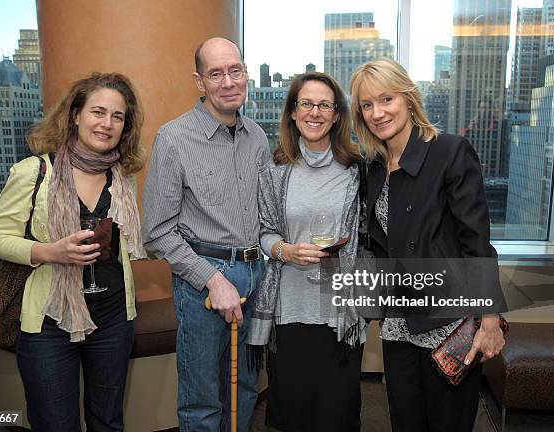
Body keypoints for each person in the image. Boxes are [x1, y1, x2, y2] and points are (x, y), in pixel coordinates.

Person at [349, 58, 505, 432]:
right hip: (399, 321)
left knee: (448, 423)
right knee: (405, 421)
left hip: (448, 321)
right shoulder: (373, 166)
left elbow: (476, 241)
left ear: (408, 97)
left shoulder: (449, 151)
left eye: (386, 99)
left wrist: (490, 318)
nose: (377, 112)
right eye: (367, 105)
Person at [0, 72, 147, 431]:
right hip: (48, 321)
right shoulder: (34, 172)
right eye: (97, 112)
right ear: (75, 115)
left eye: (117, 117)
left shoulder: (121, 177)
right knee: (55, 423)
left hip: (113, 319)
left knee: (107, 420)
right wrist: (49, 251)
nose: (106, 124)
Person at [141, 37, 270, 432]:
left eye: (235, 70)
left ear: (246, 74)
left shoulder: (258, 138)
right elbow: (157, 232)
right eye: (216, 74)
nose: (228, 81)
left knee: (246, 386)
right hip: (203, 279)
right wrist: (214, 281)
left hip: (255, 275)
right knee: (202, 397)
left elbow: (266, 216)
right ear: (200, 82)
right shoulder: (174, 139)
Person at [247, 72, 368, 432]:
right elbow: (263, 232)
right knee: (293, 414)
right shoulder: (275, 169)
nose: (315, 113)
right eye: (306, 104)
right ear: (293, 114)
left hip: (340, 312)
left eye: (324, 105)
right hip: (291, 310)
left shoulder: (357, 169)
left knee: (338, 414)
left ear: (336, 115)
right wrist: (285, 250)